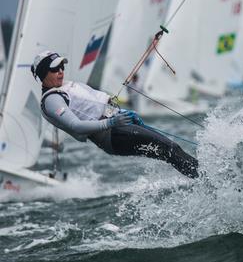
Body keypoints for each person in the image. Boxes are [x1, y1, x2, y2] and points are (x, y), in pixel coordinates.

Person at [31, 51, 199, 178]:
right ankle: (205, 177)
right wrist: (111, 123)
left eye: (62, 67)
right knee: (169, 149)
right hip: (111, 135)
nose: (60, 71)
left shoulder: (65, 86)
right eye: (55, 69)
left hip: (116, 128)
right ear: (43, 73)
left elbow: (96, 106)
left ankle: (203, 176)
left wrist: (120, 113)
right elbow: (76, 126)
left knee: (169, 150)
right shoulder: (51, 100)